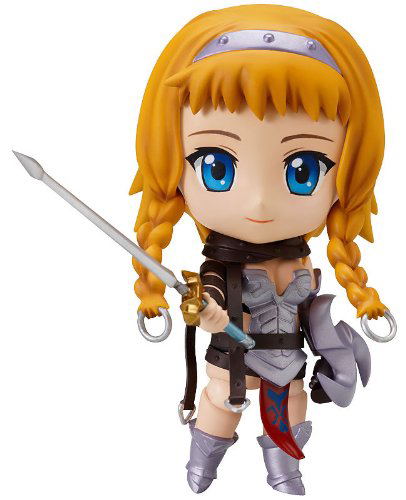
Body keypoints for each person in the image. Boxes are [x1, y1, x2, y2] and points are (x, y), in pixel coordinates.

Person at [131, 4, 390, 495]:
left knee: (292, 405)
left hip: (289, 360)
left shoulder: (300, 260)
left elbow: (310, 310)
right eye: (217, 167)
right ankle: (202, 465)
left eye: (303, 170)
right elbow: (203, 298)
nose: (259, 202)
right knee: (221, 403)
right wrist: (205, 313)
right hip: (230, 360)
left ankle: (285, 470)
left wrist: (334, 340)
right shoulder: (219, 267)